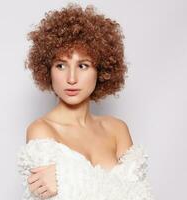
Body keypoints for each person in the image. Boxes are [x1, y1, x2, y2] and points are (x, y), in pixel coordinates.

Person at [17, 3, 155, 200]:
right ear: (47, 69)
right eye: (61, 65)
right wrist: (117, 188)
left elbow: (142, 196)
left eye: (83, 65)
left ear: (101, 70)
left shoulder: (117, 129)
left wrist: (66, 179)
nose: (71, 78)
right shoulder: (41, 130)